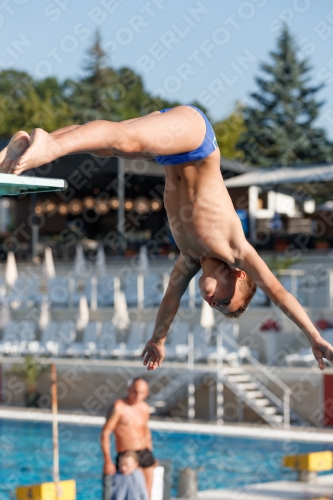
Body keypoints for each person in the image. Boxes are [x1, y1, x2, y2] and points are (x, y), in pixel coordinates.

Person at [1, 105, 333, 371]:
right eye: (223, 301)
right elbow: (278, 292)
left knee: (107, 147)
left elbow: (170, 302)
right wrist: (314, 336)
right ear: (237, 275)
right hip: (195, 139)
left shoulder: (189, 257)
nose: (213, 303)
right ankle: (50, 145)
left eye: (216, 307)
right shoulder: (236, 249)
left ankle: (19, 152)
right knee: (124, 140)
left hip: (173, 152)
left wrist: (158, 340)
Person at [100, 378, 155, 499]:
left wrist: (151, 453)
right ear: (129, 390)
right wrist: (107, 460)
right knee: (126, 491)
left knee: (147, 492)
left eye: (141, 393)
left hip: (145, 452)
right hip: (126, 454)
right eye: (135, 392)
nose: (137, 396)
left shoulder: (145, 408)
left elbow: (145, 431)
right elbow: (105, 433)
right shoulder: (119, 407)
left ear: (146, 393)